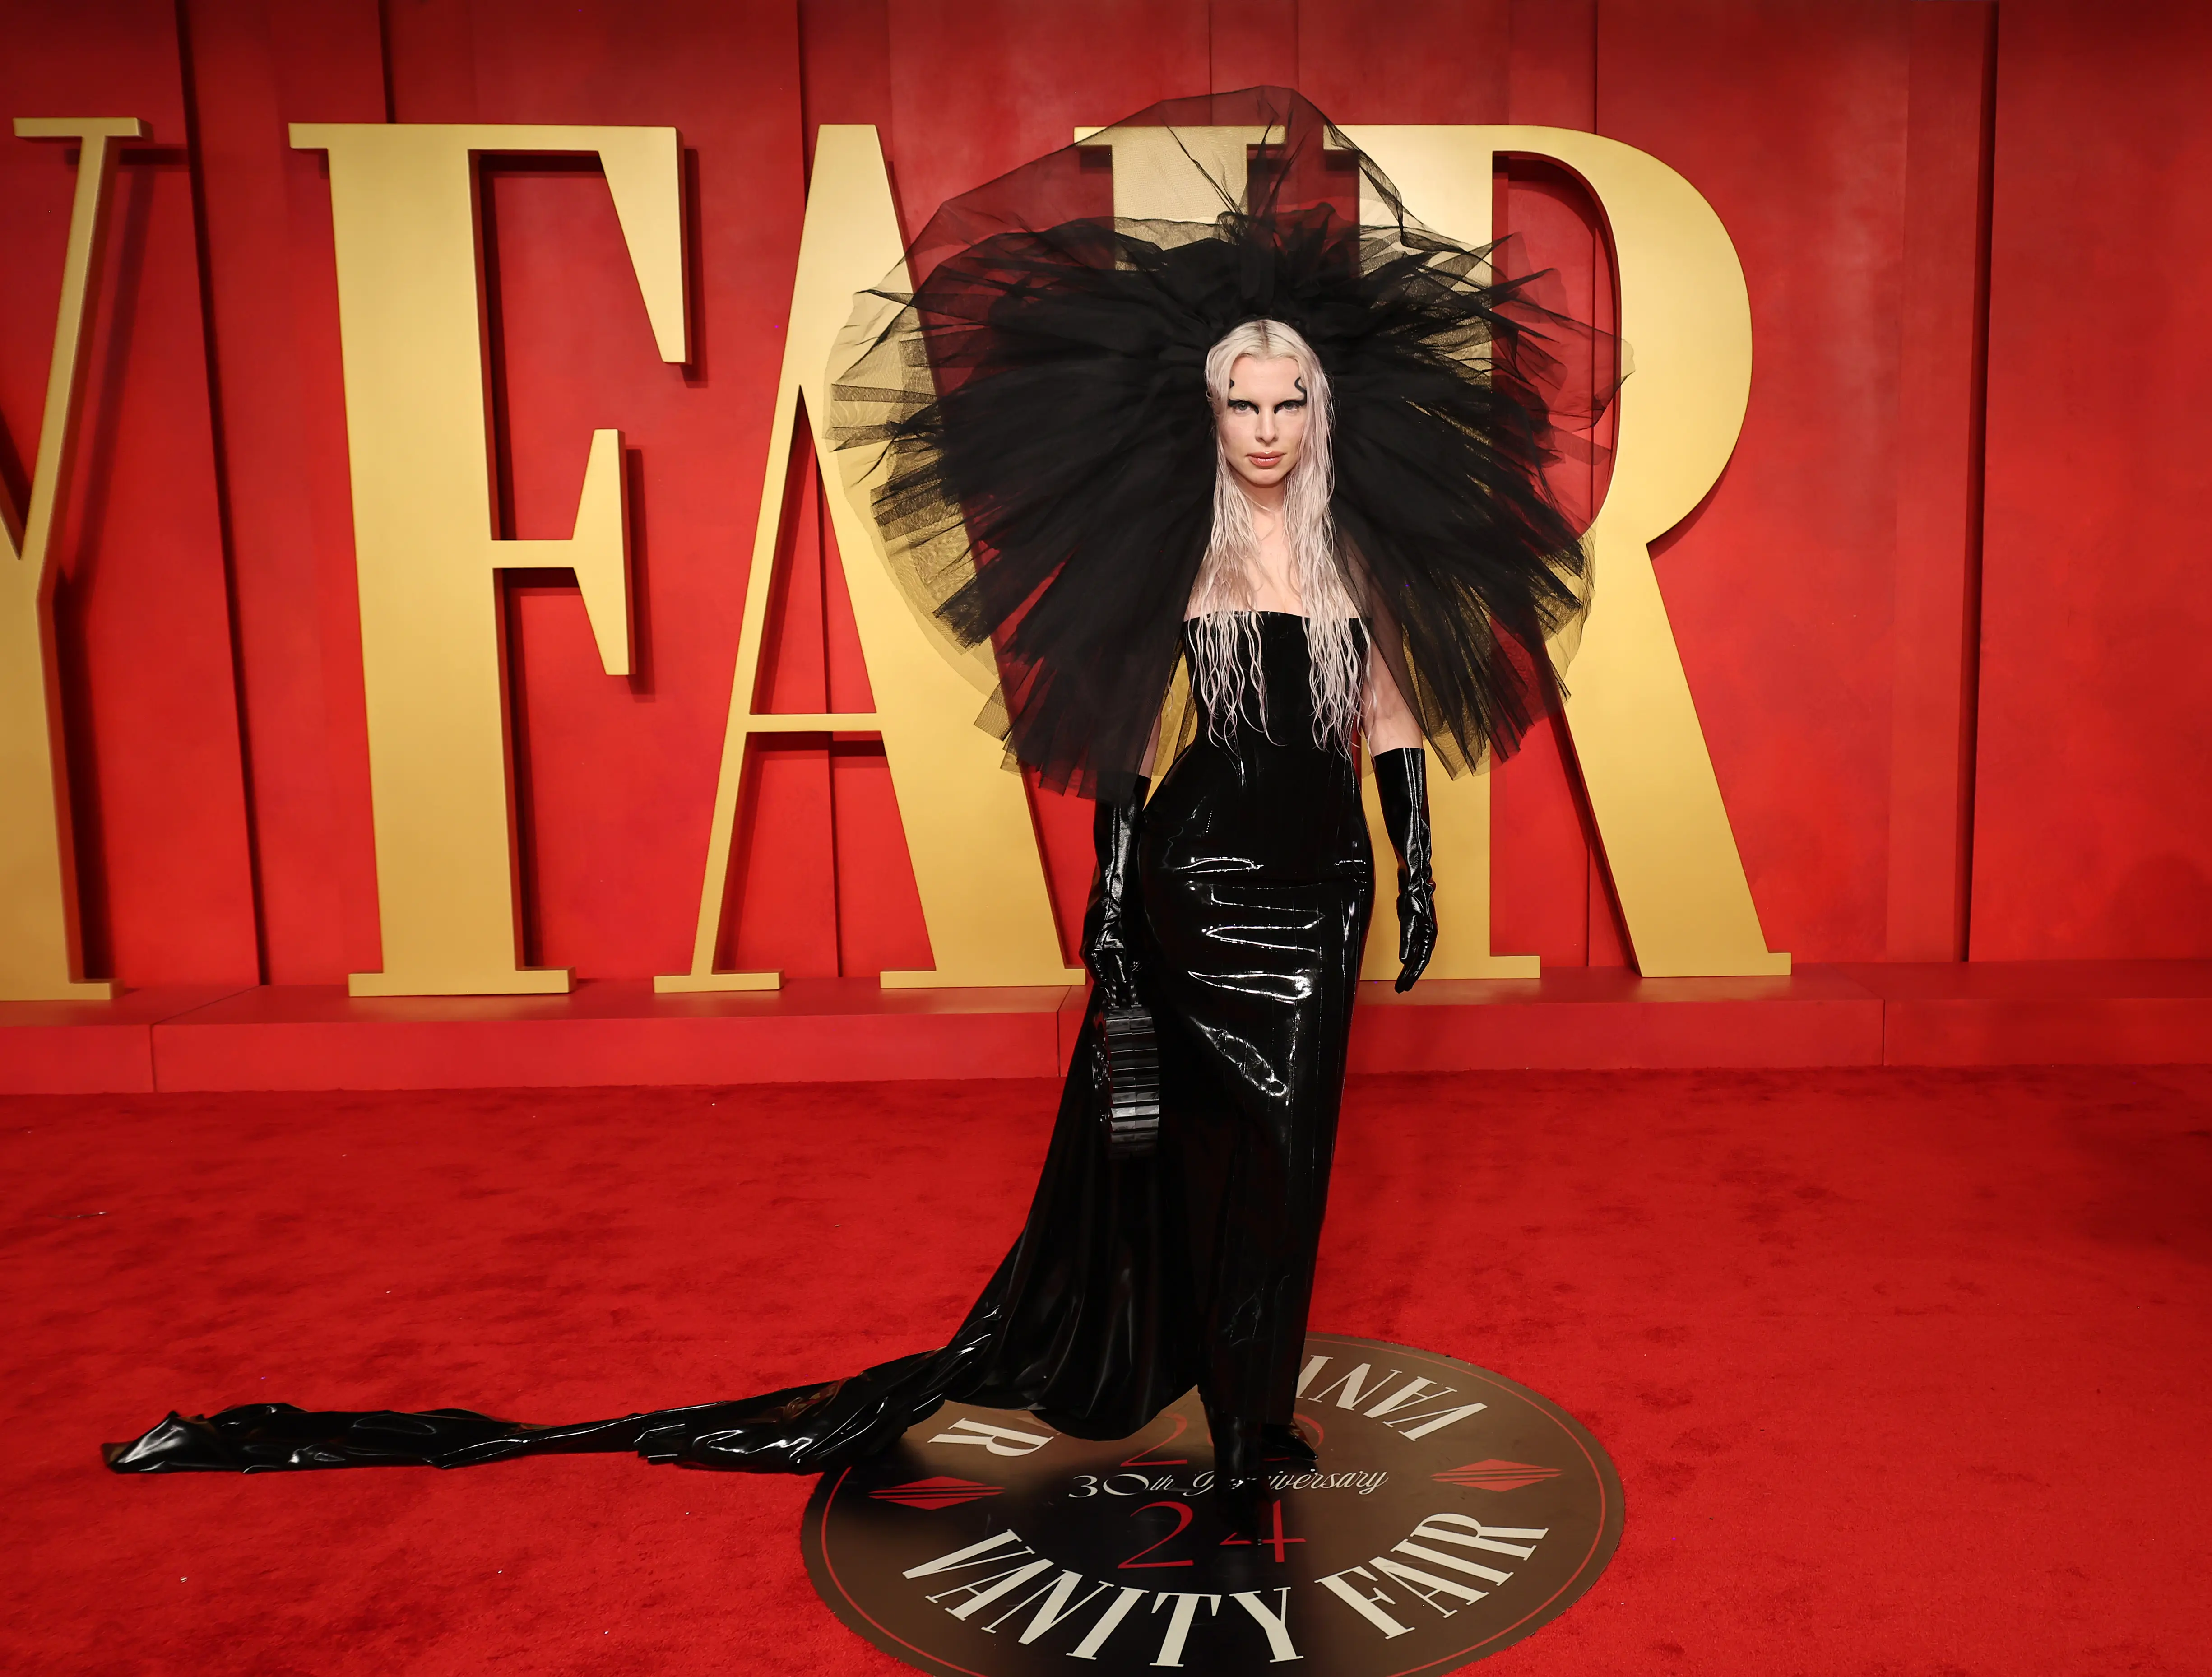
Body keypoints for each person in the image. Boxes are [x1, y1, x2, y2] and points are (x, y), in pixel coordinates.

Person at [105, 88, 1609, 1487]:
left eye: (1288, 405)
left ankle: (1255, 1411)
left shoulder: (1356, 550)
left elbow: (1393, 715)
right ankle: (1231, 1415)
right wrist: (1109, 907)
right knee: (1208, 1159)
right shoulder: (1186, 551)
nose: (1268, 430)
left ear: (1321, 410)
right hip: (1197, 884)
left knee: (1294, 1153)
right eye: (1244, 406)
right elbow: (1133, 743)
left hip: (1320, 887)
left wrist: (1407, 869)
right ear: (1210, 413)